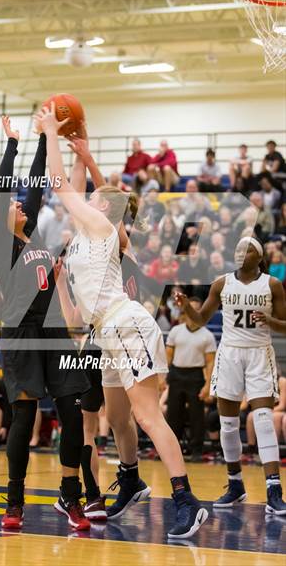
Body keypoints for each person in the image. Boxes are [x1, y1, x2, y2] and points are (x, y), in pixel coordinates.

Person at [37, 103, 208, 539]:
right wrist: (81, 152)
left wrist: (51, 135)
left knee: (148, 416)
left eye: (94, 196)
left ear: (104, 208)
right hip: (104, 331)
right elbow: (70, 185)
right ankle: (130, 479)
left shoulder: (101, 225)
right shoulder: (78, 240)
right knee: (117, 417)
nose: (86, 196)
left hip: (125, 323)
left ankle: (186, 500)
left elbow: (60, 187)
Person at [0, 116, 90, 531]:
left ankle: (70, 496)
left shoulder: (28, 230)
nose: (20, 205)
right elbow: (5, 191)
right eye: (12, 206)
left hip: (52, 329)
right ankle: (14, 500)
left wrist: (40, 139)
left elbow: (33, 185)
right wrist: (12, 145)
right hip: (20, 334)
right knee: (25, 414)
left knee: (71, 412)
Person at [57, 133, 151, 522]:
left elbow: (104, 203)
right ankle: (93, 493)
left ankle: (128, 477)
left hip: (125, 331)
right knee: (90, 418)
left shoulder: (118, 237)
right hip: (99, 336)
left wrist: (90, 161)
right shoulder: (93, 244)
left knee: (121, 419)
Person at [175, 236, 286, 514]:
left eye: (247, 249)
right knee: (227, 424)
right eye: (237, 248)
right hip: (230, 353)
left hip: (259, 352)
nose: (240, 252)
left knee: (262, 420)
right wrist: (187, 306)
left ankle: (274, 490)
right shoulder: (221, 283)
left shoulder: (271, 285)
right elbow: (200, 319)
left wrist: (271, 321)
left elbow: (285, 325)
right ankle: (235, 485)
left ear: (259, 257)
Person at [165, 297, 217, 461]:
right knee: (173, 415)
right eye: (189, 307)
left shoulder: (207, 335)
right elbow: (167, 357)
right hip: (176, 374)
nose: (191, 310)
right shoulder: (175, 331)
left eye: (195, 308)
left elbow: (210, 363)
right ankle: (172, 450)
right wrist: (161, 378)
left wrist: (208, 385)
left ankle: (196, 451)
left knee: (197, 416)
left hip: (195, 376)